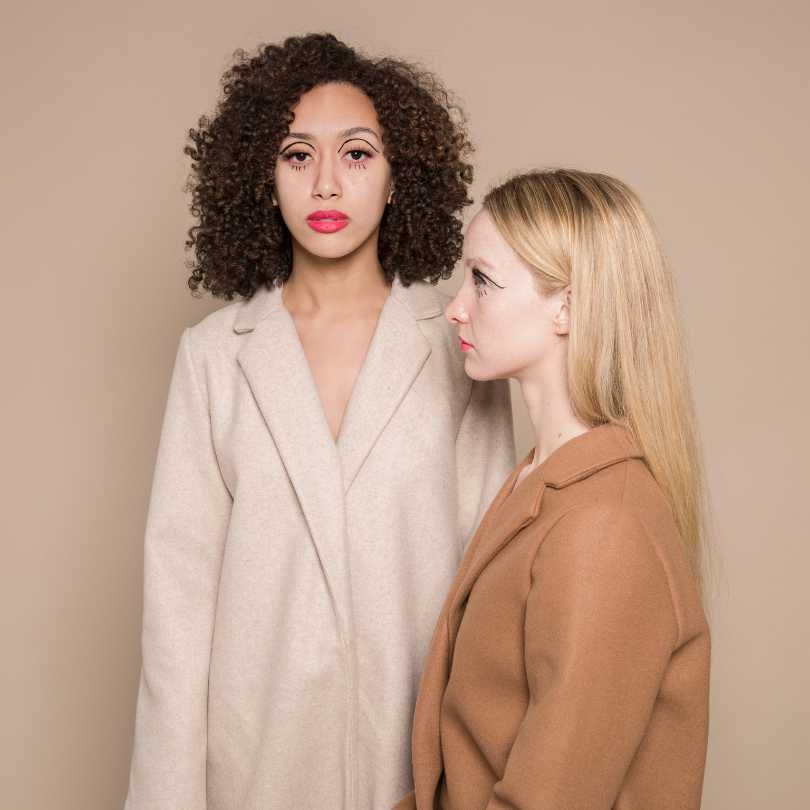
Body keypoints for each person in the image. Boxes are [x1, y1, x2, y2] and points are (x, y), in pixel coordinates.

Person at [124, 34, 515, 810]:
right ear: (261, 179)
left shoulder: (461, 342)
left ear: (400, 176)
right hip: (256, 768)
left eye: (357, 154)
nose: (327, 183)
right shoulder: (213, 358)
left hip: (420, 768)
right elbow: (178, 616)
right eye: (297, 155)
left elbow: (491, 590)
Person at [396, 169, 711, 809]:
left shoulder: (605, 525)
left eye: (482, 281)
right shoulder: (541, 480)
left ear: (566, 306)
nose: (456, 306)